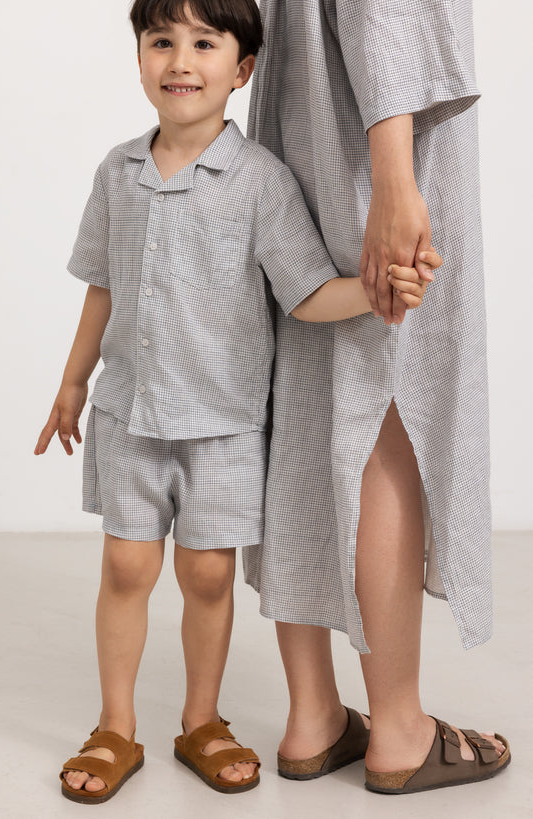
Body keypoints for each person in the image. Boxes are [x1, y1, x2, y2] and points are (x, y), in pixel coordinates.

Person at [34, 0, 437, 804]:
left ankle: (201, 720)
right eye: (161, 41)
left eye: (203, 43)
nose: (180, 60)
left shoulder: (260, 181)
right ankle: (114, 725)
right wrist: (73, 382)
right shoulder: (117, 172)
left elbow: (304, 294)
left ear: (242, 68)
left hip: (220, 428)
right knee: (125, 566)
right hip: (129, 418)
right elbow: (101, 286)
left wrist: (373, 293)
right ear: (140, 58)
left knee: (208, 576)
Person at [243, 0, 511, 795]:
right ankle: (396, 725)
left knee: (305, 405)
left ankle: (313, 715)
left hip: (305, 116)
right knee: (388, 417)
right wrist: (395, 181)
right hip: (375, 140)